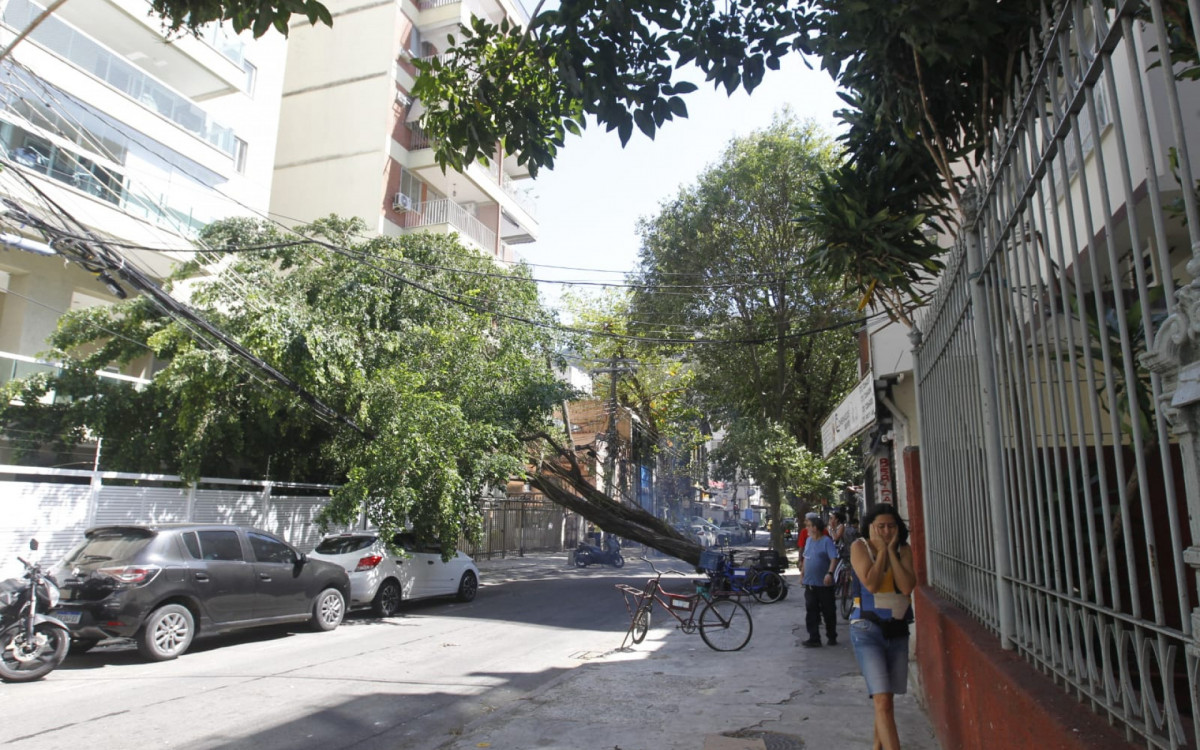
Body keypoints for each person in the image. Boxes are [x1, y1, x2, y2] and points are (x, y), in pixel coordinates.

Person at [849, 503, 916, 750]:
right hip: (867, 629)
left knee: (886, 700)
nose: (886, 531)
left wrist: (891, 551)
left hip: (897, 629)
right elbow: (872, 584)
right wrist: (881, 554)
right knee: (882, 701)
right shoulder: (860, 547)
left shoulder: (904, 550)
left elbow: (907, 586)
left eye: (891, 526)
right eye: (881, 527)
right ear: (870, 528)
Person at [799, 515, 839, 647]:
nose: (807, 528)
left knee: (828, 611)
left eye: (809, 526)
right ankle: (814, 638)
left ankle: (831, 635)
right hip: (810, 583)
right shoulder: (809, 540)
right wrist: (802, 574)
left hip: (824, 584)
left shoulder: (826, 541)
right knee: (811, 611)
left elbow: (833, 558)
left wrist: (830, 573)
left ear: (815, 528)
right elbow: (806, 557)